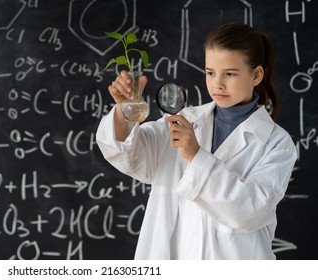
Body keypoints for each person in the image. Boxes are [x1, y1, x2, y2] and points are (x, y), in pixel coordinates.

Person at [96, 22, 297, 259]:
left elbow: (248, 211)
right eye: (210, 72)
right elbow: (129, 155)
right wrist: (124, 111)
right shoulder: (184, 120)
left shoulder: (276, 143)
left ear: (256, 75)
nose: (218, 84)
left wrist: (196, 156)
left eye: (230, 74)